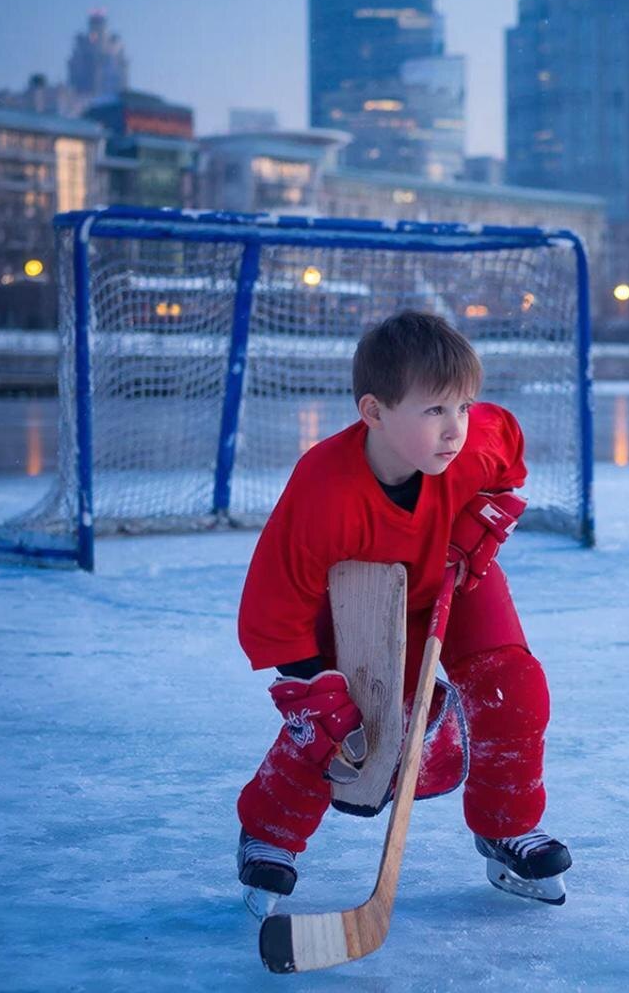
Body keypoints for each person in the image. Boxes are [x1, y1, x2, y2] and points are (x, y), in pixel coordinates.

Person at [235, 310, 572, 911]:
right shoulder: (323, 490)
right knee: (346, 719)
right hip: (365, 602)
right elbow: (273, 607)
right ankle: (269, 833)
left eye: (462, 407)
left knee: (515, 686)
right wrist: (312, 681)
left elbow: (507, 446)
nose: (455, 429)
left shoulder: (469, 447)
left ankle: (505, 825)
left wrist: (484, 518)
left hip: (451, 572)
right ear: (374, 412)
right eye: (434, 411)